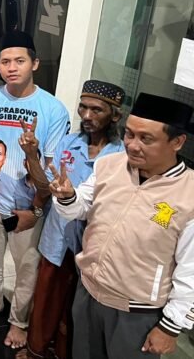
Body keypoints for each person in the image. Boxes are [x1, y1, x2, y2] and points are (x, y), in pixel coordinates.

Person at [51, 92, 194, 358]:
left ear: (177, 142)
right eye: (129, 134)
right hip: (88, 293)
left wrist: (171, 327)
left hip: (138, 313)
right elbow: (80, 207)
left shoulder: (189, 193)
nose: (133, 145)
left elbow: (191, 271)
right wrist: (67, 196)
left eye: (146, 138)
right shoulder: (109, 165)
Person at [0, 30, 70, 350]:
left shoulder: (53, 109)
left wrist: (35, 207)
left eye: (19, 61)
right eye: (5, 61)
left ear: (35, 63)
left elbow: (51, 170)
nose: (11, 67)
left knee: (27, 268)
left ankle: (19, 320)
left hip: (27, 206)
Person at [21, 80, 125, 359]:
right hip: (58, 238)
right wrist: (31, 155)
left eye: (97, 110)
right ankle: (36, 351)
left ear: (115, 115)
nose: (87, 116)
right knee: (46, 299)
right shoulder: (69, 143)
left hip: (91, 246)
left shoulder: (121, 156)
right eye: (83, 107)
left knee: (77, 311)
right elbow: (44, 187)